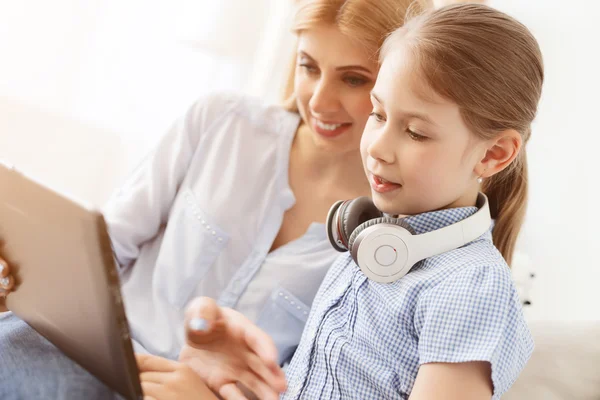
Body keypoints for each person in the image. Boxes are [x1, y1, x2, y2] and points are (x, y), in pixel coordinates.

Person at [0, 1, 422, 399]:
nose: (318, 100)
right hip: (89, 355)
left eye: (353, 78)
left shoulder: (390, 240)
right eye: (308, 67)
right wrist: (29, 271)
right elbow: (106, 245)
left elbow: (326, 379)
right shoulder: (222, 123)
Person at [134, 3, 544, 399]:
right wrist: (231, 377)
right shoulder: (371, 244)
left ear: (493, 154)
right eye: (379, 115)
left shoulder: (469, 289)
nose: (378, 148)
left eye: (416, 132)